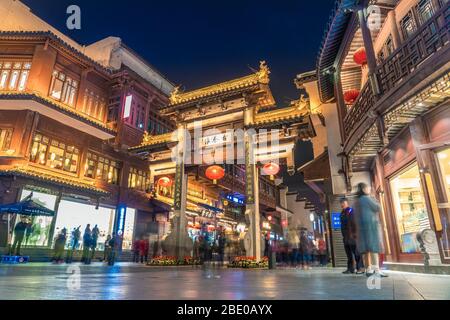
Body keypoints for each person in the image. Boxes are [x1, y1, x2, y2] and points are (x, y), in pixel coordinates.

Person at [354, 183, 388, 278]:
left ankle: (368, 269)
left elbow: (355, 216)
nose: (369, 189)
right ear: (364, 189)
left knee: (366, 250)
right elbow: (377, 207)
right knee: (373, 249)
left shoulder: (357, 201)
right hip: (371, 227)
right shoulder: (367, 199)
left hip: (361, 229)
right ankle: (376, 270)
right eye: (367, 187)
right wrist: (373, 197)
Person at [340, 198, 364, 274]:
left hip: (352, 236)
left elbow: (355, 224)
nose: (342, 204)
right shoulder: (342, 213)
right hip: (345, 237)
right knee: (349, 254)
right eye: (341, 203)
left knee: (356, 252)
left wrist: (355, 235)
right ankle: (350, 269)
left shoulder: (351, 211)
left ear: (347, 203)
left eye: (343, 202)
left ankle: (360, 268)